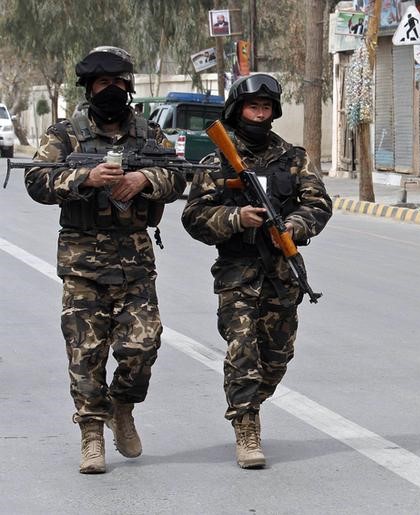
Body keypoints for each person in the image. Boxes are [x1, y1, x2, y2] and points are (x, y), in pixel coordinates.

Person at [24, 46, 186, 474]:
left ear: (128, 86)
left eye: (117, 83)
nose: (110, 90)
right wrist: (86, 177)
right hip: (81, 265)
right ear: (89, 88)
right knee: (85, 354)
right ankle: (92, 434)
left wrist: (144, 178)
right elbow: (37, 179)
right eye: (101, 83)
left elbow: (180, 174)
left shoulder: (148, 134)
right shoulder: (65, 134)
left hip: (134, 262)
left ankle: (122, 405)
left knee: (143, 345)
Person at [181, 74, 332, 469]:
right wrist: (236, 217)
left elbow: (319, 203)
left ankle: (251, 403)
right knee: (242, 349)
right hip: (238, 272)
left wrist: (294, 226)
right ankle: (246, 425)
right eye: (253, 107)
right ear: (238, 109)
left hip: (282, 272)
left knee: (277, 356)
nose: (260, 114)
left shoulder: (293, 158)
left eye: (266, 108)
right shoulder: (219, 159)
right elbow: (194, 216)